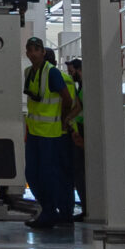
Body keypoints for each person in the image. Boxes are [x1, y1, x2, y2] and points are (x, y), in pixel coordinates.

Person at [23, 36, 78, 229]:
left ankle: (54, 211)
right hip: (35, 133)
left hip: (50, 134)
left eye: (36, 50)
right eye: (29, 50)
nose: (32, 53)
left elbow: (68, 100)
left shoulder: (52, 73)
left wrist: (63, 120)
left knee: (49, 174)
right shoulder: (28, 72)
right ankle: (49, 209)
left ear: (42, 52)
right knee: (31, 173)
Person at [65, 56, 88, 220]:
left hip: (83, 130)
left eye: (71, 71)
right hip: (79, 129)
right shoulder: (81, 87)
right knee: (78, 171)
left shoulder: (85, 88)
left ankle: (87, 207)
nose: (70, 74)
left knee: (80, 171)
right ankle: (86, 206)